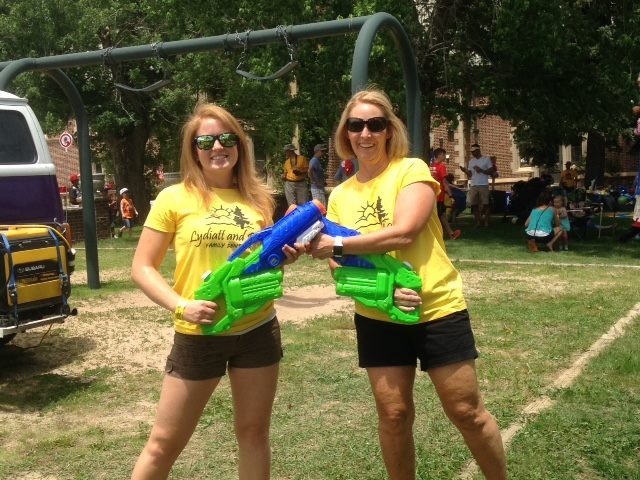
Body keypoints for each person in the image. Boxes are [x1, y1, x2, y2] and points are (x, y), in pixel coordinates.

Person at [307, 88, 506, 480]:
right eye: (356, 125)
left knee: (465, 411)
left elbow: (405, 232)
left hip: (436, 308)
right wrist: (383, 293)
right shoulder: (341, 195)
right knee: (393, 415)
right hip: (378, 315)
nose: (365, 133)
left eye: (375, 125)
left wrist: (340, 243)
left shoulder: (411, 170)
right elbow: (339, 267)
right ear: (345, 133)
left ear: (388, 130)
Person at [130, 103, 303, 479]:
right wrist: (181, 306)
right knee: (164, 442)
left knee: (254, 434)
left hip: (257, 329)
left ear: (239, 145)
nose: (216, 147)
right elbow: (141, 267)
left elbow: (259, 261)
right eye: (205, 140)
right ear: (194, 150)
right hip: (200, 333)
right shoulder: (174, 198)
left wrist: (283, 257)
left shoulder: (260, 198)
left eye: (226, 138)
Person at [430, 148, 461, 240]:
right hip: (439, 196)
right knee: (438, 216)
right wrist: (451, 196)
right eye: (444, 155)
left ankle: (451, 234)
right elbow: (445, 183)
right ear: (439, 155)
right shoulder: (441, 166)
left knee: (441, 215)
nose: (444, 157)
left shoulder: (430, 166)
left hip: (431, 195)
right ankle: (437, 236)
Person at [459, 144, 494, 227]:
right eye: (472, 152)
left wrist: (481, 170)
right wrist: (465, 170)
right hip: (474, 185)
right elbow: (470, 174)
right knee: (474, 204)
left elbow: (491, 171)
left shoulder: (486, 159)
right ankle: (478, 222)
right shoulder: (471, 161)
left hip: (483, 184)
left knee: (486, 204)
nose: (473, 153)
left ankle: (486, 222)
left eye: (474, 151)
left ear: (478, 150)